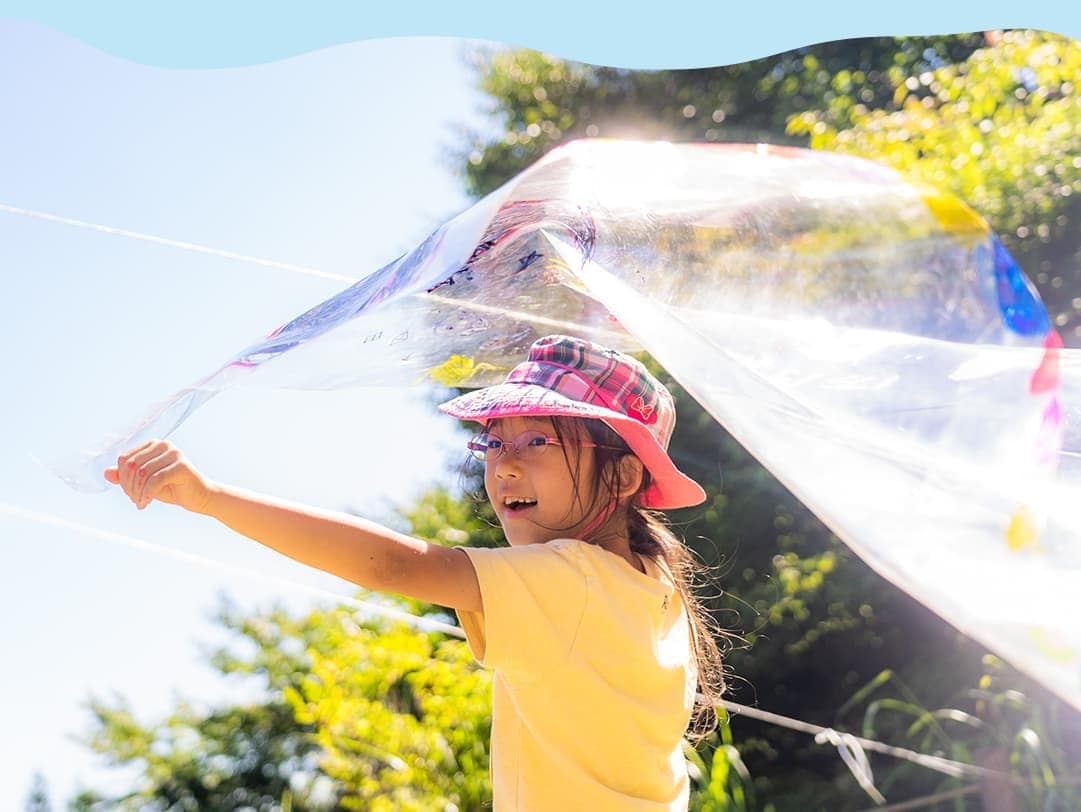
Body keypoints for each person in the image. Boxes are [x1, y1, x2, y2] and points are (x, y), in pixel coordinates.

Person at [106, 334, 726, 810]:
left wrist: (208, 497)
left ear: (621, 476)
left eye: (536, 441)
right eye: (494, 443)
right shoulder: (651, 583)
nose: (504, 467)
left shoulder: (573, 577)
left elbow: (394, 564)